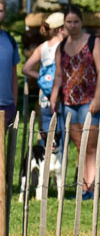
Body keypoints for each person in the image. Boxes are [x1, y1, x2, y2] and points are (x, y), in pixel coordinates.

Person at [49, 6, 100, 200]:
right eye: (68, 22)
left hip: (89, 100)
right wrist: (54, 95)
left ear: (81, 22)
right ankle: (84, 186)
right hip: (69, 102)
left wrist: (98, 97)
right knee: (79, 145)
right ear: (64, 24)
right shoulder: (61, 46)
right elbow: (58, 75)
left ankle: (91, 187)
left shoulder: (93, 42)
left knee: (90, 145)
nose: (72, 25)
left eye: (76, 22)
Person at [22, 12, 65, 154]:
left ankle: (42, 172)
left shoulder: (43, 47)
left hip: (44, 99)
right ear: (60, 28)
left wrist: (41, 77)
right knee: (61, 138)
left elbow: (26, 69)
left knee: (45, 135)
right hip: (63, 98)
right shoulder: (66, 46)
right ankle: (58, 172)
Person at [0, 0, 18, 130]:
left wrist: (14, 104)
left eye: (0, 10)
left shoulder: (9, 40)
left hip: (6, 106)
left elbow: (13, 74)